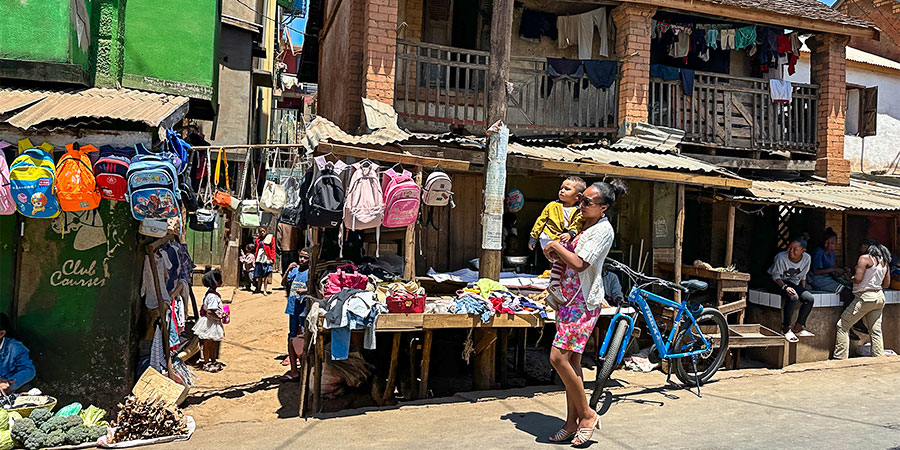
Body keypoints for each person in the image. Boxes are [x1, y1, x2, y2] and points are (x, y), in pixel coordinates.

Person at [541, 179, 626, 446]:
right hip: (567, 300)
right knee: (572, 363)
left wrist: (556, 247)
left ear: (603, 208)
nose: (581, 205)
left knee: (558, 358)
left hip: (582, 302)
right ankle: (571, 422)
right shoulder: (583, 226)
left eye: (587, 202)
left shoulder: (603, 231)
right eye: (581, 200)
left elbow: (579, 264)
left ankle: (588, 414)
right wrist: (557, 248)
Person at [834, 239, 891, 359]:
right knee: (875, 331)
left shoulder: (864, 258)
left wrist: (849, 277)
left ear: (868, 247)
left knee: (842, 325)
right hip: (879, 297)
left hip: (865, 298)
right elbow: (886, 285)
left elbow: (858, 279)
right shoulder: (884, 262)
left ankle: (839, 358)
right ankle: (878, 358)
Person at [530, 177, 587, 293]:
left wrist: (571, 234)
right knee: (560, 260)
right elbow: (541, 220)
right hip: (548, 237)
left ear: (577, 196)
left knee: (562, 261)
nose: (562, 191)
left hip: (562, 239)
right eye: (561, 188)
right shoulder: (552, 205)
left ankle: (556, 282)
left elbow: (577, 224)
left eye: (567, 189)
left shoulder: (578, 211)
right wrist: (533, 237)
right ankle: (555, 283)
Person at [769, 236, 814, 343]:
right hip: (777, 282)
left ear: (803, 251)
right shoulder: (781, 257)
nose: (791, 251)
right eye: (790, 248)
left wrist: (802, 289)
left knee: (809, 299)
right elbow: (775, 276)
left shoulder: (807, 258)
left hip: (793, 283)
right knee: (793, 297)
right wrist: (785, 287)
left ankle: (798, 326)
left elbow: (803, 276)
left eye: (795, 249)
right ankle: (786, 328)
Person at [280, 249, 310, 380]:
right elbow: (283, 283)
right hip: (292, 308)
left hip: (303, 309)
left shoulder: (310, 272)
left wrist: (306, 291)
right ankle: (293, 370)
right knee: (292, 337)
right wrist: (288, 270)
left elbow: (314, 289)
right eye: (301, 257)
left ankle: (304, 369)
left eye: (305, 258)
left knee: (303, 338)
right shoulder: (295, 271)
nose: (302, 260)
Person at [193, 269, 225, 372]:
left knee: (212, 342)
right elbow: (210, 311)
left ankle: (212, 360)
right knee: (207, 343)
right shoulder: (212, 296)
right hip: (209, 322)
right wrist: (219, 316)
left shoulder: (211, 294)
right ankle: (207, 362)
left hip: (211, 321)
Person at [809, 228, 852, 304]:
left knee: (851, 287)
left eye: (832, 243)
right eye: (826, 242)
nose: (829, 245)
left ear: (836, 243)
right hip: (818, 279)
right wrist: (834, 269)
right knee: (846, 292)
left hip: (828, 278)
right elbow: (815, 271)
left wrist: (843, 270)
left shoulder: (831, 253)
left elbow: (833, 268)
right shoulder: (819, 252)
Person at [0, 314, 35, 394]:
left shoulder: (15, 348)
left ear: (1, 334)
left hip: (8, 391)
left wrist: (9, 384)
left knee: (26, 388)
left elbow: (28, 370)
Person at [254, 226, 276, 295]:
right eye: (260, 231)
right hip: (259, 258)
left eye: (263, 231)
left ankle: (265, 290)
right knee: (259, 276)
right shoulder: (258, 239)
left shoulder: (270, 239)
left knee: (265, 276)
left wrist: (272, 258)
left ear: (266, 231)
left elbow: (273, 249)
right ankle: (258, 289)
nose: (262, 232)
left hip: (266, 258)